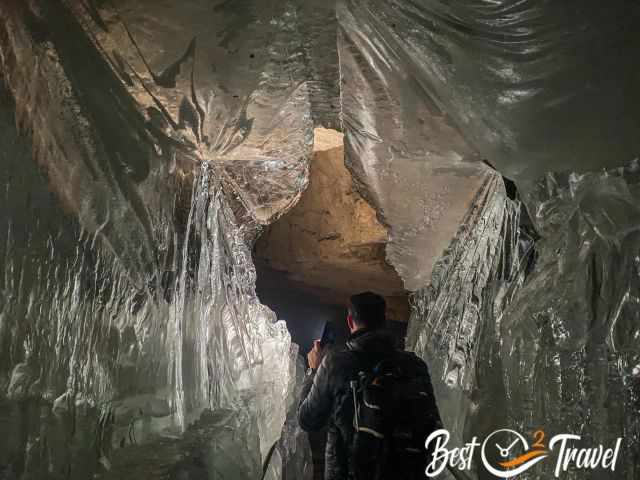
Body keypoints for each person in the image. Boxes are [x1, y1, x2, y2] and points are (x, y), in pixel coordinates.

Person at [298, 291, 442, 480]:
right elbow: (435, 428)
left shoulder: (336, 363)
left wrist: (314, 370)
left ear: (350, 321)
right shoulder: (415, 365)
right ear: (384, 321)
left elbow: (308, 419)